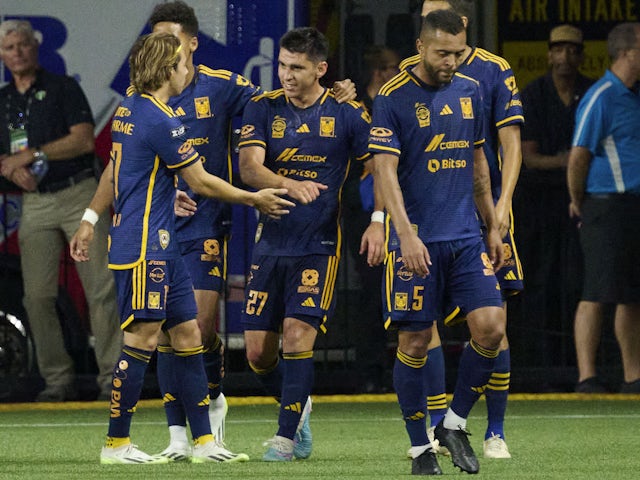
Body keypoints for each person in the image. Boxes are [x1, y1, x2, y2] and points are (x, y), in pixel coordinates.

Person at [70, 31, 293, 464]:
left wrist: (110, 211)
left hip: (162, 244)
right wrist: (253, 198)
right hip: (145, 248)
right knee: (141, 341)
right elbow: (201, 181)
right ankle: (116, 444)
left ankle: (205, 444)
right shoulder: (161, 119)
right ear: (168, 70)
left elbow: (128, 171)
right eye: (181, 63)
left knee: (189, 335)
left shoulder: (129, 107)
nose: (187, 68)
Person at [369, 9, 506, 475]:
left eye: (459, 52)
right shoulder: (392, 97)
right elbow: (384, 172)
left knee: (490, 326)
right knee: (412, 340)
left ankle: (452, 422)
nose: (451, 61)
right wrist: (404, 234)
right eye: (442, 52)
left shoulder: (471, 91)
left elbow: (479, 166)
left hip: (466, 236)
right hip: (417, 240)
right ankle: (419, 449)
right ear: (421, 46)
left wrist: (493, 225)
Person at [237, 26, 372, 461]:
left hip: (317, 245)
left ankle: (285, 437)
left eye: (296, 67)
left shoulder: (347, 112)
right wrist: (288, 184)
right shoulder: (263, 108)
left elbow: (380, 167)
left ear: (321, 69)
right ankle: (299, 406)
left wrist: (380, 218)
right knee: (258, 353)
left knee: (298, 337)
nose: (286, 75)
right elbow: (248, 168)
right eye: (281, 65)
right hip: (270, 243)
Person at [401, 0, 524, 459]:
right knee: (422, 327)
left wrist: (503, 207)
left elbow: (508, 145)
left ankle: (493, 430)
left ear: (464, 23)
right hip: (429, 218)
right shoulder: (408, 77)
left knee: (494, 322)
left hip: (482, 212)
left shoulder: (492, 71)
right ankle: (438, 429)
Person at [0, 19, 122, 402]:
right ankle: (57, 381)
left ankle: (112, 381)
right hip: (34, 202)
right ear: (2, 56)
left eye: (22, 44)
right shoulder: (3, 101)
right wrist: (9, 165)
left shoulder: (62, 87)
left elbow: (84, 140)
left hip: (78, 194)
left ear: (35, 48)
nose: (17, 52)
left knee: (100, 289)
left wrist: (32, 153)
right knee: (35, 296)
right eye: (9, 47)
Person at [517, 24, 595, 391]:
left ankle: (575, 361)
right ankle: (541, 364)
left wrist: (570, 164)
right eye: (558, 50)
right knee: (541, 279)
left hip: (579, 202)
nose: (565, 57)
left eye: (573, 50)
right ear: (549, 54)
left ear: (581, 56)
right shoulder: (533, 94)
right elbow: (528, 159)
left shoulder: (590, 91)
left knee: (578, 281)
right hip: (540, 205)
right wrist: (571, 161)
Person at [567, 22, 640, 395]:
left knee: (632, 295)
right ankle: (586, 376)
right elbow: (579, 155)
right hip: (604, 205)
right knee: (596, 290)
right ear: (628, 52)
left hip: (633, 207)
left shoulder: (634, 95)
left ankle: (632, 376)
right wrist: (578, 201)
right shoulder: (602, 95)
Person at [342, 44, 400, 393]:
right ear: (379, 72)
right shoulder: (356, 108)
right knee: (372, 291)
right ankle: (372, 369)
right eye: (392, 68)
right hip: (363, 213)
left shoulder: (395, 103)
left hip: (398, 210)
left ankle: (404, 365)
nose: (398, 73)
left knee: (402, 287)